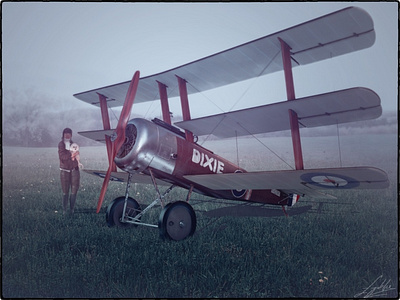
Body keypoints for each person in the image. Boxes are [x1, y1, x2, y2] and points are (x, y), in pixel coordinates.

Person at [58, 128, 80, 214]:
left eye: (69, 133)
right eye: (65, 133)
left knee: (74, 189)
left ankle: (72, 209)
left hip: (74, 169)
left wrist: (77, 157)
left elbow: (76, 155)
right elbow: (62, 157)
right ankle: (64, 210)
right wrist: (71, 153)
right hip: (64, 170)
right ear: (63, 134)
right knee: (65, 190)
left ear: (71, 135)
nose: (67, 135)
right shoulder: (61, 144)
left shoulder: (73, 144)